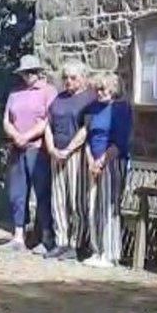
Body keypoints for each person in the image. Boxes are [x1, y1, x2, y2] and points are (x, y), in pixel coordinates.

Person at [2, 55, 58, 253]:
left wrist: (27, 136)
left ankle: (46, 237)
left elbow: (47, 120)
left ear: (39, 72)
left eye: (32, 72)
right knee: (17, 193)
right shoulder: (15, 93)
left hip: (38, 149)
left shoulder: (48, 92)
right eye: (25, 72)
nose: (28, 76)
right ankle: (18, 236)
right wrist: (16, 136)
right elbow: (7, 120)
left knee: (42, 192)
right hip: (17, 148)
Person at [43, 59, 95, 260]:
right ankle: (61, 241)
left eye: (73, 78)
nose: (68, 81)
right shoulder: (58, 99)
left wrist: (69, 149)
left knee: (76, 199)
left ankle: (76, 243)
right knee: (58, 199)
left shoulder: (89, 99)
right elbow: (48, 124)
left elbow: (86, 128)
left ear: (83, 78)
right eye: (65, 77)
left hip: (76, 155)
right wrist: (52, 148)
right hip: (56, 153)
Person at [78, 73, 132, 268]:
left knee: (108, 207)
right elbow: (87, 136)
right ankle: (96, 249)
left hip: (112, 161)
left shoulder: (120, 109)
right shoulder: (92, 109)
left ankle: (110, 253)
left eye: (103, 89)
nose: (99, 93)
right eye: (97, 89)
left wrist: (102, 161)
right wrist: (91, 160)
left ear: (113, 90)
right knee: (93, 206)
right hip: (93, 161)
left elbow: (120, 141)